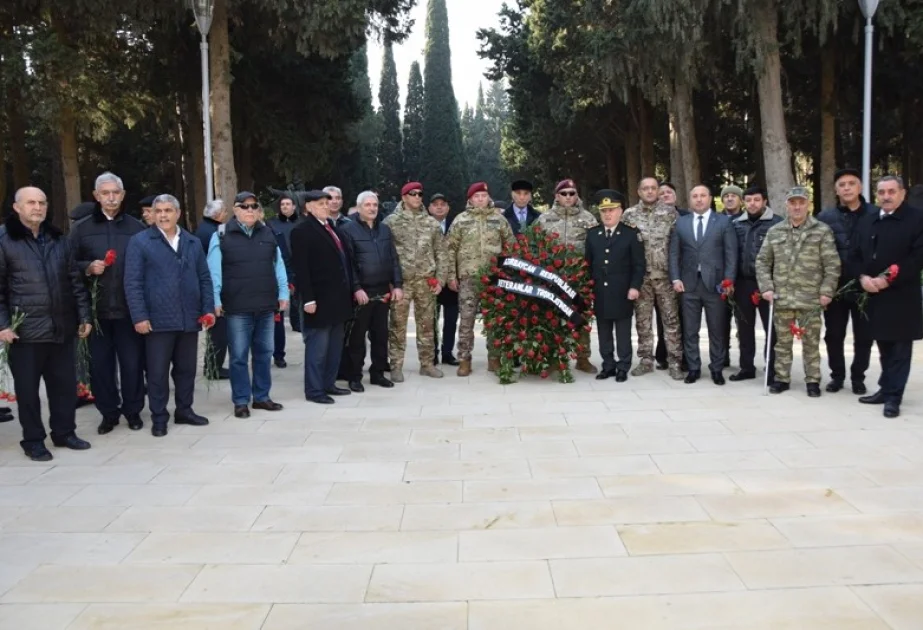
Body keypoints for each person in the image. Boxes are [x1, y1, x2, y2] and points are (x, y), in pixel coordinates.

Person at [0, 187, 93, 461]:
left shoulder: (58, 239)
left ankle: (64, 432)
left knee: (64, 387)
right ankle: (33, 440)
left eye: (42, 202)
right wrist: (4, 325)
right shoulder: (4, 240)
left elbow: (75, 281)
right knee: (28, 392)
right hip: (25, 333)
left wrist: (84, 316)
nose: (37, 207)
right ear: (17, 207)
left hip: (61, 328)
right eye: (31, 202)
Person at [124, 194, 214, 437]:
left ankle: (184, 410)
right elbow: (132, 283)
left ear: (178, 213)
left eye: (168, 210)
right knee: (157, 372)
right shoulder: (140, 242)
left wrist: (207, 309)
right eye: (159, 211)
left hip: (189, 318)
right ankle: (159, 417)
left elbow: (204, 278)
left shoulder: (193, 242)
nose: (163, 215)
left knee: (186, 369)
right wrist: (139, 317)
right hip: (157, 320)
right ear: (152, 214)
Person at [70, 172, 146, 435]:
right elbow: (68, 267)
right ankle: (108, 412)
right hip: (97, 312)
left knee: (132, 364)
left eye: (115, 193)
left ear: (123, 196)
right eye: (105, 193)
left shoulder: (136, 228)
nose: (111, 197)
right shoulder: (81, 229)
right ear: (96, 196)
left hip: (128, 311)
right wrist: (87, 267)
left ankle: (133, 411)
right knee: (100, 367)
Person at [207, 192, 288, 418]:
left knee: (264, 353)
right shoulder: (221, 236)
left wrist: (283, 293)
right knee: (239, 356)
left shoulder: (268, 233)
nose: (250, 210)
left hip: (265, 305)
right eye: (244, 206)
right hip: (237, 308)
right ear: (235, 209)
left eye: (254, 206)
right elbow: (214, 272)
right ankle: (241, 400)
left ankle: (261, 397)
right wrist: (215, 300)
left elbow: (278, 265)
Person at [756, 187, 840, 397]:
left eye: (801, 202)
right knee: (781, 343)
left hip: (810, 299)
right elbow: (763, 261)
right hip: (782, 298)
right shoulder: (775, 231)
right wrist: (766, 287)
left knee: (811, 344)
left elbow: (832, 264)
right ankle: (781, 378)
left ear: (808, 204)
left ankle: (812, 381)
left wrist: (827, 291)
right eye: (793, 203)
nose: (797, 206)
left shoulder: (821, 231)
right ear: (787, 205)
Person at [851, 176, 923, 418]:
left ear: (902, 193)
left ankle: (894, 397)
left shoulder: (917, 219)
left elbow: (917, 258)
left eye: (892, 191)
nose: (886, 196)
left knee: (900, 349)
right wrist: (862, 277)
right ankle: (885, 387)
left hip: (902, 295)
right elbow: (856, 254)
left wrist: (888, 279)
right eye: (881, 192)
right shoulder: (868, 220)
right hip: (874, 295)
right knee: (883, 344)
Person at [670, 185, 739, 385]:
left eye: (702, 196)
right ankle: (693, 368)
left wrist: (729, 280)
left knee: (716, 329)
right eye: (695, 196)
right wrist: (675, 278)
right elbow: (674, 253)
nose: (699, 199)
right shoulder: (681, 223)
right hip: (688, 285)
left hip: (715, 285)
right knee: (690, 330)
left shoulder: (724, 222)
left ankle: (716, 368)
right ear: (690, 200)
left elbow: (731, 254)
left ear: (710, 198)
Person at [291, 190, 354, 404]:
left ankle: (329, 383)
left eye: (327, 203)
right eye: (320, 203)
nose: (326, 206)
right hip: (318, 300)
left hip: (337, 299)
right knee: (318, 348)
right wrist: (307, 299)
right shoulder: (302, 231)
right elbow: (302, 269)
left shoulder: (331, 228)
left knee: (334, 347)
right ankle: (314, 390)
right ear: (308, 207)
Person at [815, 168, 875, 394]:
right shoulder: (825, 218)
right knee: (834, 334)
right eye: (842, 185)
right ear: (836, 190)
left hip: (866, 287)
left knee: (864, 335)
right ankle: (837, 376)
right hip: (835, 287)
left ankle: (858, 377)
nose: (847, 188)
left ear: (860, 187)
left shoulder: (875, 215)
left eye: (851, 183)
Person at [448, 182, 516, 376]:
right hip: (468, 278)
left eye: (483, 196)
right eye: (476, 196)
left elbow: (510, 246)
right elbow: (450, 249)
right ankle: (464, 360)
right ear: (470, 199)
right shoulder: (460, 220)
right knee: (467, 320)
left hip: (493, 278)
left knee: (493, 320)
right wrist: (451, 276)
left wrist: (507, 273)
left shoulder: (499, 219)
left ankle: (493, 358)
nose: (480, 199)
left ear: (488, 198)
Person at [383, 182, 448, 382]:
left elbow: (441, 253)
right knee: (397, 325)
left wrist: (441, 280)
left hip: (425, 281)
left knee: (427, 325)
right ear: (404, 197)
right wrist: (389, 282)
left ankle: (427, 364)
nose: (418, 197)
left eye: (420, 194)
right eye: (413, 194)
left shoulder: (431, 223)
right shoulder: (391, 222)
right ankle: (395, 365)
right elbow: (385, 254)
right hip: (401, 282)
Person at [339, 191, 403, 392]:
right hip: (362, 293)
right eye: (367, 205)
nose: (372, 208)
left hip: (382, 291)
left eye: (374, 205)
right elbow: (348, 264)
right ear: (359, 208)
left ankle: (377, 374)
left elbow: (393, 259)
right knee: (357, 338)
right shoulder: (347, 230)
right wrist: (357, 288)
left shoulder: (384, 230)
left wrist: (398, 285)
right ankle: (355, 376)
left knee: (380, 335)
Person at [535, 178, 600, 374]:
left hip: (579, 276)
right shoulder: (544, 219)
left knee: (581, 317)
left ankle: (582, 357)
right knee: (552, 317)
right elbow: (535, 247)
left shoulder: (588, 219)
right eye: (564, 193)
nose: (568, 197)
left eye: (572, 193)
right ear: (557, 196)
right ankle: (555, 357)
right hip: (553, 278)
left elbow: (596, 248)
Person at [623, 177, 684, 379]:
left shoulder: (670, 213)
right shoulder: (629, 215)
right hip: (641, 279)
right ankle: (646, 360)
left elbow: (678, 245)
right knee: (643, 322)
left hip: (665, 277)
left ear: (658, 191)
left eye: (653, 188)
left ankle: (675, 362)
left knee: (671, 321)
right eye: (645, 189)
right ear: (639, 192)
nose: (649, 192)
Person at [586, 190, 645, 382]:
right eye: (604, 211)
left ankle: (623, 365)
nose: (607, 214)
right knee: (603, 332)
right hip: (601, 292)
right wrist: (588, 289)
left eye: (611, 210)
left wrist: (635, 287)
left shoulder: (630, 234)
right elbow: (588, 263)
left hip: (622, 291)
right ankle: (608, 365)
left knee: (622, 332)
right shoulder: (593, 234)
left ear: (620, 211)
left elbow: (639, 264)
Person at [730, 186, 782, 383]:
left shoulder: (776, 223)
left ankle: (772, 369)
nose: (752, 204)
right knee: (744, 328)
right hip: (743, 283)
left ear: (764, 201)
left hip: (767, 284)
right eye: (749, 200)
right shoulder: (736, 224)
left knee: (772, 329)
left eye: (756, 200)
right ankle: (746, 367)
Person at [194, 199, 230, 379]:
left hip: (208, 285)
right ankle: (213, 367)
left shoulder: (202, 229)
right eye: (224, 211)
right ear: (217, 215)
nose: (226, 214)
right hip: (213, 287)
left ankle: (212, 365)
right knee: (219, 332)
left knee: (217, 331)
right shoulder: (214, 233)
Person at [428, 193, 459, 366]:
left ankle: (447, 352)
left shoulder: (456, 225)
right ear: (429, 208)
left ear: (448, 208)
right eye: (435, 204)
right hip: (432, 280)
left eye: (443, 204)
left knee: (451, 319)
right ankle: (432, 353)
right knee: (431, 319)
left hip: (452, 280)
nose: (439, 207)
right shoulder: (425, 226)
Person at [268, 193, 299, 367]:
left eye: (288, 204)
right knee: (277, 317)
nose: (285, 207)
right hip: (280, 273)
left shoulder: (301, 224)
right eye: (283, 204)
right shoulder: (271, 225)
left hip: (298, 270)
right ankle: (278, 354)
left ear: (294, 207)